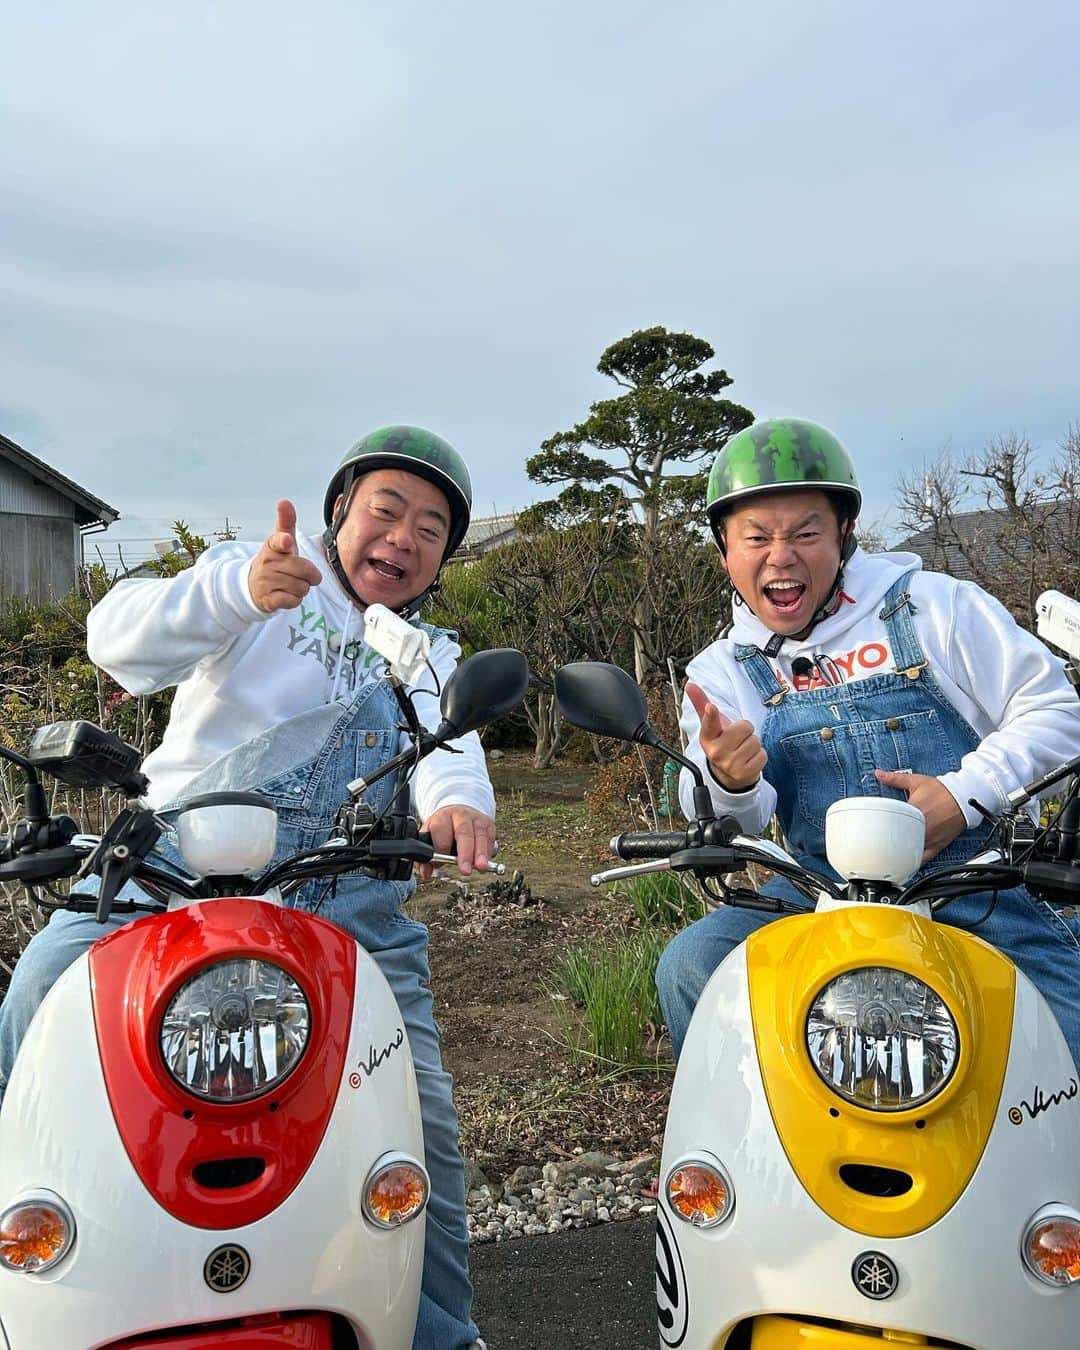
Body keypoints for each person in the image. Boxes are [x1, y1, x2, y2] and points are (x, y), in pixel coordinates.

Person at [0, 425, 492, 1350]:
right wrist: (235, 591)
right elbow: (119, 641)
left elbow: (451, 748)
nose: (403, 539)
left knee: (416, 1118)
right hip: (172, 869)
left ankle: (442, 1336)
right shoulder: (262, 574)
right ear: (339, 512)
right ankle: (30, 1273)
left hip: (346, 896)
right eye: (386, 511)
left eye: (431, 530)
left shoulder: (425, 654)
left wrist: (459, 803)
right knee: (41, 994)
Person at [655, 417, 1080, 1067]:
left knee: (1062, 1046)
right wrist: (726, 779)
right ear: (724, 552)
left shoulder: (936, 607)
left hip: (978, 894)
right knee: (695, 966)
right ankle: (751, 1157)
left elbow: (1055, 708)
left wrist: (966, 795)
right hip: (819, 898)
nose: (781, 555)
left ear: (845, 534)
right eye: (756, 538)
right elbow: (730, 817)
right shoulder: (723, 670)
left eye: (805, 533)